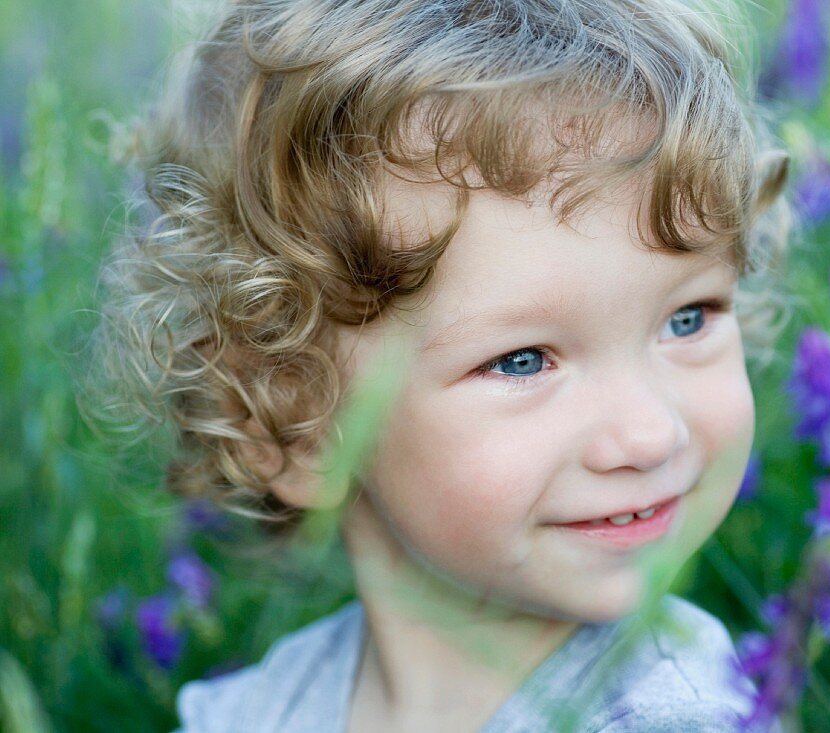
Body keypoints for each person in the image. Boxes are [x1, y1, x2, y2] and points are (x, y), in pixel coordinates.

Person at [91, 0, 791, 729]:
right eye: (523, 361)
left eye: (688, 318)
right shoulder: (262, 708)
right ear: (292, 425)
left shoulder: (671, 717)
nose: (653, 433)